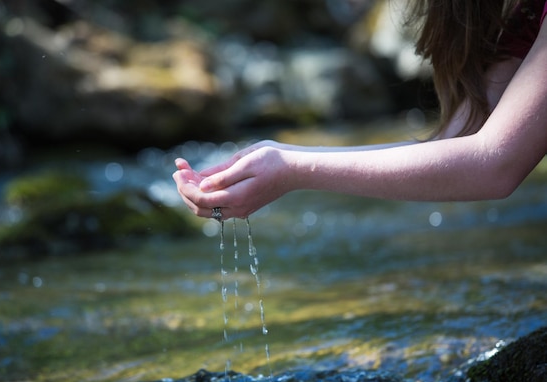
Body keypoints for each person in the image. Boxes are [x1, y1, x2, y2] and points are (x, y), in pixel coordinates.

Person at [173, 0, 547, 221]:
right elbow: (461, 142)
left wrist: (293, 169)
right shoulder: (528, 13)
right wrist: (285, 158)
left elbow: (494, 165)